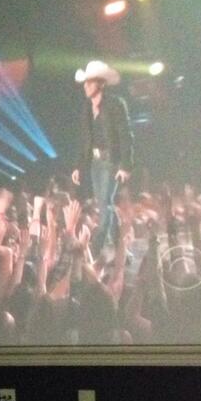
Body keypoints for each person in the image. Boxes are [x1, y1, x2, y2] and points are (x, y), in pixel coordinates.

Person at [72, 60, 134, 257]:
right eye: (85, 82)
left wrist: (125, 165)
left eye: (90, 82)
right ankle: (122, 250)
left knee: (105, 204)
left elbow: (125, 135)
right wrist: (79, 166)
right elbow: (85, 141)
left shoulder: (115, 104)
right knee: (104, 204)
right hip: (95, 162)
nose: (86, 86)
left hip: (110, 161)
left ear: (101, 84)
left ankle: (95, 248)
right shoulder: (86, 108)